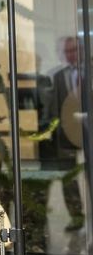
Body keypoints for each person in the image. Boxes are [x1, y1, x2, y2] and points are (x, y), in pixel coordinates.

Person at [38, 35, 85, 231]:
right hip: (65, 136)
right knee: (69, 179)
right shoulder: (57, 76)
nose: (69, 55)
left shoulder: (89, 71)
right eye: (65, 52)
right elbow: (53, 108)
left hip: (88, 133)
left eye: (72, 50)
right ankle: (77, 218)